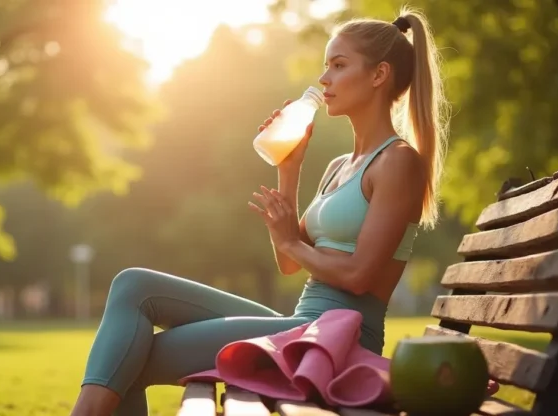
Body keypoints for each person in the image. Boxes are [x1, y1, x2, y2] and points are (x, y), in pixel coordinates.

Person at [70, 7, 449, 416]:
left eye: (339, 66)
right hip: (302, 322)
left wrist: (289, 239)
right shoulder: (340, 166)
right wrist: (290, 168)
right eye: (326, 66)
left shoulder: (397, 162)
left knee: (131, 355)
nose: (324, 79)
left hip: (336, 341)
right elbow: (289, 263)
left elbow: (358, 277)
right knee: (133, 285)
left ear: (379, 74)